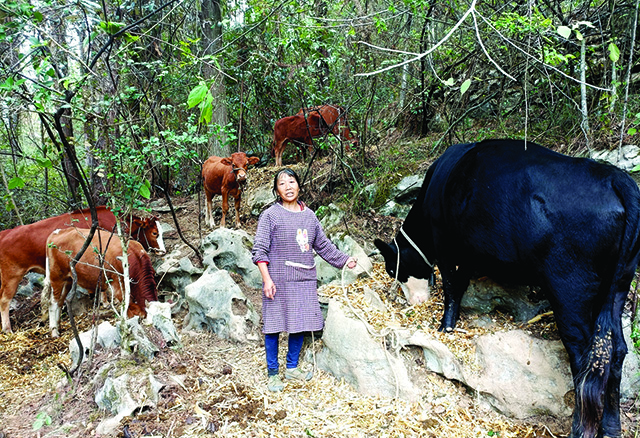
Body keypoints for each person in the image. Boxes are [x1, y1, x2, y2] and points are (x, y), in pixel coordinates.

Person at [252, 168, 357, 392]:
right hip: (278, 279)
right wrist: (267, 280)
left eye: (292, 182)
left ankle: (291, 368)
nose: (288, 187)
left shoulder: (309, 216)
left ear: (299, 185)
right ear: (276, 190)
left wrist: (345, 260)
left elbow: (323, 246)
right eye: (282, 184)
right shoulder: (270, 215)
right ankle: (273, 374)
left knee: (299, 324)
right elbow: (259, 251)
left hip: (304, 278)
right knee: (273, 326)